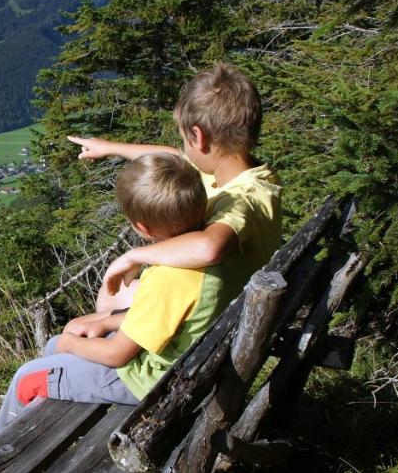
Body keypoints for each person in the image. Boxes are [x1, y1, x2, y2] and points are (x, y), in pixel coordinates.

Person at [0, 152, 242, 438]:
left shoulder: (169, 278)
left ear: (142, 228)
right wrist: (102, 325)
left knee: (27, 378)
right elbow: (170, 319)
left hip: (149, 382)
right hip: (181, 368)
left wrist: (72, 345)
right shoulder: (211, 256)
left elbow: (116, 354)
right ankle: (35, 426)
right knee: (54, 345)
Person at [68, 62, 282, 315]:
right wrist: (110, 147)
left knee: (110, 300)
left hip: (217, 309)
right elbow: (173, 156)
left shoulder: (244, 198)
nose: (183, 148)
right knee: (110, 298)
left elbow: (209, 247)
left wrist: (135, 256)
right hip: (219, 296)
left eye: (184, 138)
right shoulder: (239, 173)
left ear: (198, 136)